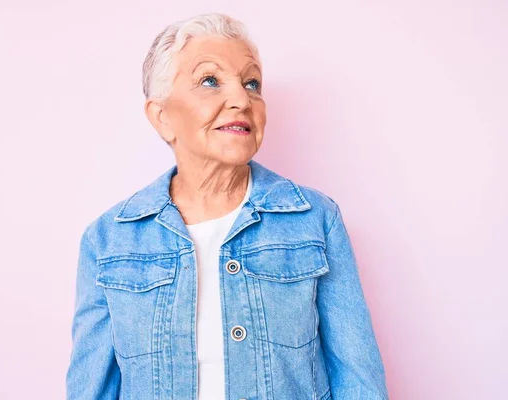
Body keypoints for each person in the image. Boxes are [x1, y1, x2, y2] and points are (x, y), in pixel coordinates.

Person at [66, 12, 389, 400]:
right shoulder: (108, 240)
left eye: (251, 83)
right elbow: (91, 389)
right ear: (162, 116)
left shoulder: (316, 220)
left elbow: (360, 382)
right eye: (209, 81)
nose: (241, 99)